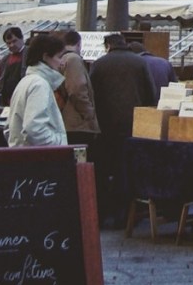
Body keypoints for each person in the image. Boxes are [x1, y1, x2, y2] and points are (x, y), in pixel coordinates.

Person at [89, 33, 156, 228]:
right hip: (132, 126)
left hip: (105, 126)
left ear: (107, 45)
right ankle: (125, 216)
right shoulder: (140, 63)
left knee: (103, 171)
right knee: (126, 172)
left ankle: (102, 216)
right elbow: (151, 94)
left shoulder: (99, 64)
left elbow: (92, 95)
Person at [4, 33, 68, 147]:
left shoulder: (26, 81)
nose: (62, 62)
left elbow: (9, 128)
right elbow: (34, 128)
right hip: (37, 159)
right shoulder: (39, 85)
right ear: (46, 57)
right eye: (59, 57)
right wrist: (59, 144)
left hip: (23, 156)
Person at [60, 29, 100, 151]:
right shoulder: (73, 59)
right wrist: (89, 114)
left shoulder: (62, 59)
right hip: (76, 123)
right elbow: (77, 89)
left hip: (67, 123)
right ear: (79, 44)